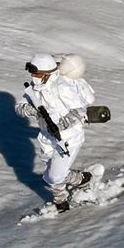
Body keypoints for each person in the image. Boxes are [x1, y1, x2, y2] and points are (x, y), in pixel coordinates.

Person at [15, 53, 96, 212]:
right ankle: (62, 197)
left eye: (36, 73)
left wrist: (60, 125)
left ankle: (78, 180)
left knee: (54, 176)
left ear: (47, 73)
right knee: (53, 172)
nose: (33, 76)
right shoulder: (34, 89)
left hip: (68, 138)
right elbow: (19, 108)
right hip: (47, 138)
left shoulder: (63, 87)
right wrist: (33, 110)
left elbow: (79, 111)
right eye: (32, 73)